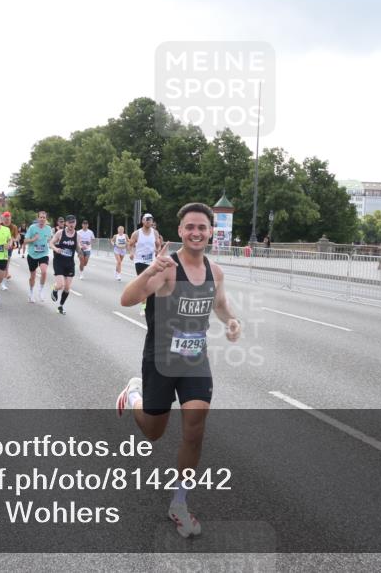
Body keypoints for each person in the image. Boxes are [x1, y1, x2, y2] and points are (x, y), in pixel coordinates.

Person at [115, 202, 242, 538]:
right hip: (160, 359)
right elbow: (126, 300)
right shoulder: (167, 268)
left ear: (211, 231)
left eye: (202, 227)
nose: (196, 233)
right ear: (180, 231)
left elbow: (219, 303)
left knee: (195, 427)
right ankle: (134, 395)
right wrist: (148, 272)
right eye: (190, 227)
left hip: (195, 360)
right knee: (154, 431)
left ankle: (179, 502)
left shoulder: (215, 272)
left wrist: (232, 321)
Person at [128, 213, 163, 315]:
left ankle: (151, 306)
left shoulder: (155, 233)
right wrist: (131, 253)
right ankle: (143, 308)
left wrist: (158, 250)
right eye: (147, 219)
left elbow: (158, 244)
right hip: (140, 261)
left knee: (152, 284)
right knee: (144, 285)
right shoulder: (136, 233)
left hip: (151, 261)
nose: (149, 221)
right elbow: (130, 244)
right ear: (142, 221)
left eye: (150, 219)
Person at [49, 214, 83, 315]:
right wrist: (56, 249)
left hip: (70, 263)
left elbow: (77, 248)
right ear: (66, 223)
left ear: (76, 223)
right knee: (60, 285)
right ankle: (55, 288)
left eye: (73, 222)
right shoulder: (60, 233)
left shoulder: (77, 236)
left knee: (67, 288)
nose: (72, 224)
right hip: (59, 262)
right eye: (70, 222)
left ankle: (60, 306)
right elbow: (51, 243)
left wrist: (80, 253)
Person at [24, 211, 53, 303]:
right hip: (32, 255)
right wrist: (33, 239)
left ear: (46, 219)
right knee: (32, 276)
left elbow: (50, 239)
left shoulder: (48, 228)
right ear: (38, 218)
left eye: (44, 217)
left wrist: (52, 243)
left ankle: (41, 290)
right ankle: (31, 292)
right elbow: (25, 241)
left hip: (43, 254)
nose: (42, 219)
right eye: (41, 217)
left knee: (44, 271)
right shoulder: (32, 228)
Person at [0, 211, 19, 291]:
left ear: (10, 219)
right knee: (0, 263)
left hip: (9, 247)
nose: (7, 220)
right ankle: (3, 273)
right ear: (3, 219)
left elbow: (17, 237)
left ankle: (5, 278)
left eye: (8, 219)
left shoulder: (14, 227)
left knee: (6, 262)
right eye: (5, 219)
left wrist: (12, 239)